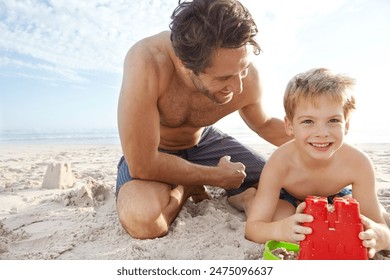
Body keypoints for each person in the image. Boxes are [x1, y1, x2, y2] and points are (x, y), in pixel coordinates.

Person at [116, 0, 292, 239]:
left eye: (244, 69)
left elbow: (263, 124)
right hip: (155, 150)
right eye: (224, 78)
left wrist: (329, 146)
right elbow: (142, 164)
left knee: (288, 185)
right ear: (185, 65)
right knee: (144, 221)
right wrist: (214, 177)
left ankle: (243, 197)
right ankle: (186, 186)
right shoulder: (147, 62)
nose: (238, 86)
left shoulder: (241, 72)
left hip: (206, 142)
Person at [245, 68, 390, 258]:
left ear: (346, 124)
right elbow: (253, 228)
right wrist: (280, 230)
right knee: (286, 217)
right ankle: (248, 200)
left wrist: (383, 237)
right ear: (289, 126)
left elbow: (376, 224)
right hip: (290, 196)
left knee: (360, 222)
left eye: (333, 120)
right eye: (308, 121)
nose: (322, 132)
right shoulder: (279, 162)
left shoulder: (359, 163)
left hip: (335, 195)